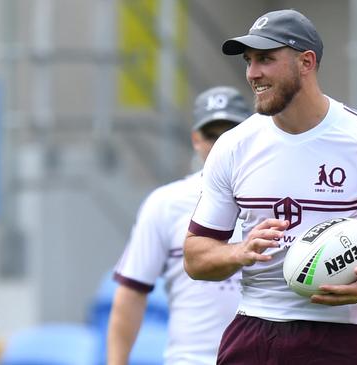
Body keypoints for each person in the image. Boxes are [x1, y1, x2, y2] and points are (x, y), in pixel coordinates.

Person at [183, 9, 357, 365]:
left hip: (339, 336)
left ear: (306, 62)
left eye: (266, 59)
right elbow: (195, 255)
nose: (252, 73)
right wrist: (239, 251)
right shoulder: (234, 146)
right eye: (249, 61)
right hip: (253, 331)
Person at [107, 86, 251, 364]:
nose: (221, 143)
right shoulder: (166, 202)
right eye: (212, 135)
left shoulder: (276, 195)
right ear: (196, 139)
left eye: (230, 133)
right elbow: (132, 291)